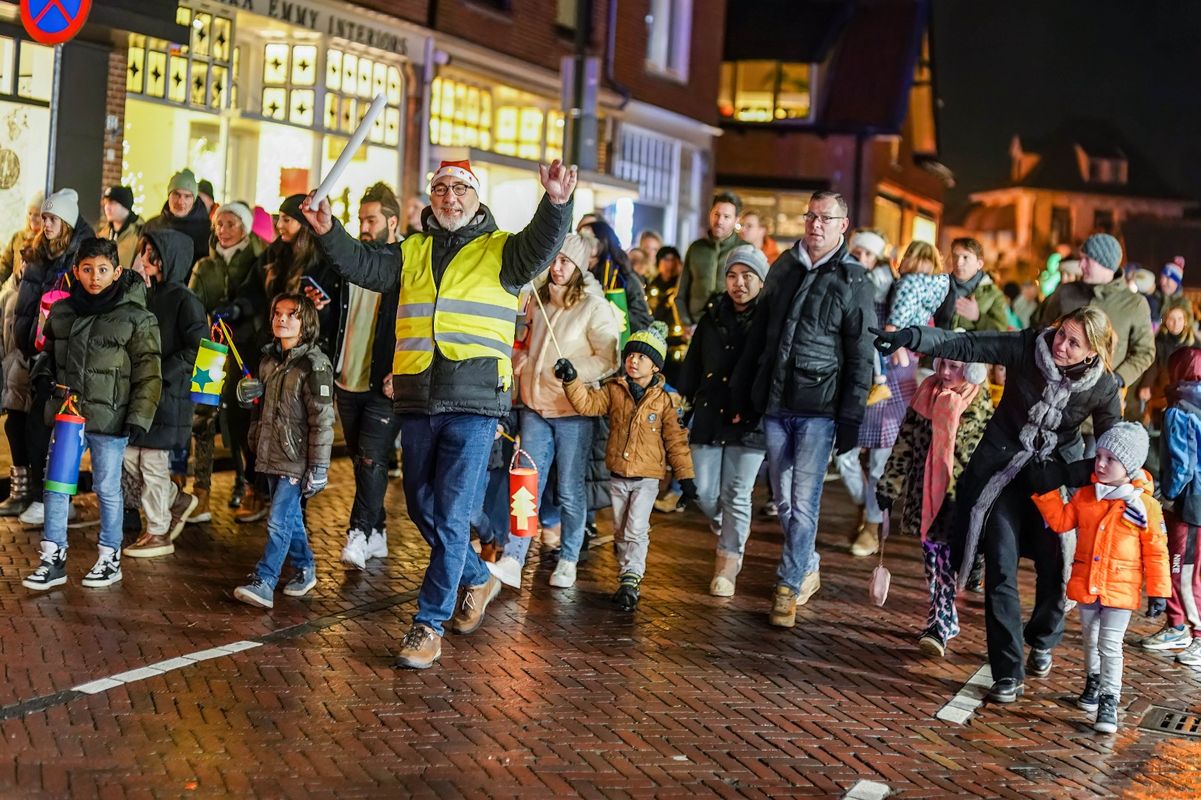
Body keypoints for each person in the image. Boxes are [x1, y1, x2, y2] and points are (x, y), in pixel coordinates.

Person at [300, 158, 575, 670]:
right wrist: (328, 231)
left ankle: (428, 624)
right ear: (431, 198)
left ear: (476, 196)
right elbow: (362, 265)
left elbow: (543, 242)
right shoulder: (412, 250)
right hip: (418, 398)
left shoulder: (503, 249)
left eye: (460, 189)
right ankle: (477, 578)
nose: (450, 197)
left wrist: (556, 203)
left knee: (449, 514)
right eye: (441, 189)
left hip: (475, 403)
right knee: (422, 507)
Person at [872, 305, 1122, 703]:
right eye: (1061, 333)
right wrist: (914, 337)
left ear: (1092, 352)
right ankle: (1008, 672)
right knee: (1000, 567)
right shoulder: (1030, 346)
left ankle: (1042, 638)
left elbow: (1113, 450)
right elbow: (971, 344)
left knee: (1055, 566)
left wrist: (1068, 474)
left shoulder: (1103, 386)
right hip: (1002, 474)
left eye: (1073, 343)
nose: (1060, 345)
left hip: (1052, 481)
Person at [730, 190, 875, 626]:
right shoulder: (784, 266)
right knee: (783, 498)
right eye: (811, 216)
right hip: (777, 400)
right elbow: (760, 335)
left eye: (825, 218)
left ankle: (788, 585)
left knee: (804, 500)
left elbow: (861, 354)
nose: (815, 224)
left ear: (842, 225)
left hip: (820, 407)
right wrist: (745, 390)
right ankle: (807, 564)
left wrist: (850, 416)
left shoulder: (855, 279)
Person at [21, 238, 161, 591]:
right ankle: (53, 557)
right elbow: (48, 355)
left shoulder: (137, 317)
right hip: (69, 413)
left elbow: (149, 371)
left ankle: (110, 557)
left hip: (111, 417)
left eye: (102, 269)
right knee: (56, 485)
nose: (94, 277)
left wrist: (139, 416)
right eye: (87, 269)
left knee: (107, 488)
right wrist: (43, 377)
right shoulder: (63, 311)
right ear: (76, 271)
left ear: (116, 271)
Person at [489, 233, 620, 590]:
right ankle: (515, 557)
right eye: (554, 260)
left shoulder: (594, 307)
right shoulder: (538, 300)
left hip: (571, 410)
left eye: (565, 262)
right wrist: (521, 357)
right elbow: (524, 341)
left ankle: (569, 557)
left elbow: (609, 357)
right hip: (534, 408)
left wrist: (575, 372)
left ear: (579, 267)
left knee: (569, 489)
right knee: (526, 484)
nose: (557, 268)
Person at [1031, 422, 1169, 733]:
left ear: (1129, 466)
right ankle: (1093, 681)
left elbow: (1157, 552)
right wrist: (1046, 491)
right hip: (1087, 583)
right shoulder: (1086, 496)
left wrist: (1158, 591)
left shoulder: (1144, 506)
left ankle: (1109, 699)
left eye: (1111, 459)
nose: (1101, 464)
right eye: (1099, 456)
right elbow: (1062, 522)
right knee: (1091, 639)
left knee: (1110, 644)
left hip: (1120, 589)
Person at [557, 322, 696, 610]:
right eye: (631, 355)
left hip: (647, 478)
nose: (633, 360)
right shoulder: (614, 390)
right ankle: (626, 576)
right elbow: (588, 405)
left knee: (636, 528)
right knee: (620, 529)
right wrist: (571, 380)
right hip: (618, 475)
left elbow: (676, 441)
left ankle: (632, 578)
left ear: (655, 366)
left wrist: (685, 477)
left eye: (642, 357)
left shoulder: (666, 400)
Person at [223, 194, 343, 523]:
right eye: (279, 218)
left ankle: (293, 505)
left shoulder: (322, 258)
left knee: (296, 423)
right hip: (270, 351)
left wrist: (321, 308)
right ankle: (259, 487)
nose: (279, 225)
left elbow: (333, 311)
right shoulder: (274, 253)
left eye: (287, 219)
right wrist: (238, 309)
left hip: (305, 355)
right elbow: (252, 291)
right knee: (258, 417)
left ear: (303, 223)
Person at [877, 357, 994, 656]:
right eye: (942, 364)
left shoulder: (981, 405)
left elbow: (989, 460)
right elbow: (904, 445)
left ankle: (939, 624)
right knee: (932, 561)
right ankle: (943, 618)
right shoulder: (924, 395)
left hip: (958, 501)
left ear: (971, 370)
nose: (944, 372)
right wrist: (889, 486)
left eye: (954, 367)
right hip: (924, 496)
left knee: (946, 563)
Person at [676, 245, 768, 596]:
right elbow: (693, 363)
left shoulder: (770, 319)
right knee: (703, 491)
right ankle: (728, 526)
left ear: (761, 281)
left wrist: (758, 405)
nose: (738, 283)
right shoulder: (712, 315)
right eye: (732, 275)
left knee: (737, 493)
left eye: (747, 276)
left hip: (749, 418)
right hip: (710, 412)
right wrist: (683, 400)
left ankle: (728, 561)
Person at [232, 293, 334, 608]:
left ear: (307, 322)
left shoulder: (314, 364)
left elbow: (323, 420)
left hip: (296, 458)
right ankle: (305, 568)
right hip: (271, 453)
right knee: (290, 517)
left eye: (292, 314)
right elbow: (260, 409)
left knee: (278, 520)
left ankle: (265, 580)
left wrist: (319, 468)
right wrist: (249, 400)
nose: (282, 319)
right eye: (278, 313)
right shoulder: (268, 361)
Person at [839, 241, 932, 558]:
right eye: (913, 261)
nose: (917, 270)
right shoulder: (870, 286)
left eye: (925, 265)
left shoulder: (916, 297)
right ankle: (865, 505)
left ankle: (871, 525)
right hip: (861, 380)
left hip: (895, 384)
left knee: (880, 462)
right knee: (844, 455)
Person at [13, 188, 96, 527]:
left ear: (67, 222)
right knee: (33, 424)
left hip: (63, 355)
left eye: (52, 219)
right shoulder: (37, 254)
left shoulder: (80, 259)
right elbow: (26, 305)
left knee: (50, 426)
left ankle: (49, 499)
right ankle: (44, 497)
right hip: (36, 352)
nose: (45, 224)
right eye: (44, 218)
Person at [122, 230, 206, 556]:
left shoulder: (185, 299)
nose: (144, 259)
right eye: (143, 252)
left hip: (169, 394)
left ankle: (158, 531)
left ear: (169, 260)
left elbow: (198, 347)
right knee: (129, 456)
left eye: (151, 254)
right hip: (144, 392)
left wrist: (161, 372)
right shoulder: (146, 294)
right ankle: (174, 499)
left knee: (153, 461)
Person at [336, 183, 403, 569]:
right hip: (347, 377)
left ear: (392, 222)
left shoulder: (406, 262)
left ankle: (358, 534)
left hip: (385, 381)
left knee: (371, 459)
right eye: (361, 219)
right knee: (360, 459)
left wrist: (402, 368)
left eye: (371, 220)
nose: (363, 227)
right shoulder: (355, 260)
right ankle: (377, 533)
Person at [188, 201, 266, 517]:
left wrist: (239, 316)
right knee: (203, 417)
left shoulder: (258, 261)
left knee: (240, 417)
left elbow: (261, 302)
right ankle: (201, 492)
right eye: (219, 224)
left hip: (244, 350)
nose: (223, 230)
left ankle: (246, 482)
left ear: (245, 228)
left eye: (231, 224)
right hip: (211, 349)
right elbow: (193, 306)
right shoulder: (205, 265)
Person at [1142, 346, 1201, 667]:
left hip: (1188, 504)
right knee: (1188, 570)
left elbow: (1182, 465)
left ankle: (1192, 633)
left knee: (1182, 571)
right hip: (1195, 503)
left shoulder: (1179, 409)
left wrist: (1168, 494)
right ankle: (1177, 625)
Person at [1039, 233, 1154, 394]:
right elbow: (1043, 330)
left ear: (1105, 264)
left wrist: (1118, 378)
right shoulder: (1065, 292)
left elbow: (1145, 351)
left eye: (1087, 260)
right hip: (1053, 391)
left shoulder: (1134, 304)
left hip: (1100, 400)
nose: (1081, 265)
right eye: (1081, 259)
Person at [0, 193, 43, 517]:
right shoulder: (10, 290)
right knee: (14, 426)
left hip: (30, 365)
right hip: (12, 366)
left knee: (28, 429)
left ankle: (32, 491)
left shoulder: (37, 290)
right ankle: (20, 490)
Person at [677, 192, 743, 326]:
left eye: (726, 217)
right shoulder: (696, 248)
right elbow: (681, 292)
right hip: (696, 325)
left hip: (731, 326)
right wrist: (685, 323)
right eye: (716, 214)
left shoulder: (744, 250)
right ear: (710, 214)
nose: (719, 221)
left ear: (736, 220)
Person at [581, 219, 652, 332]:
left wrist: (611, 310)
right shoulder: (577, 271)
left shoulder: (623, 277)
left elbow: (643, 322)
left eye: (587, 239)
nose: (580, 244)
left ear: (602, 242)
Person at [1137, 297, 1195, 426]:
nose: (1176, 323)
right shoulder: (1159, 341)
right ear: (1165, 321)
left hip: (1188, 391)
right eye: (1171, 319)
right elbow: (1153, 365)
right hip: (1163, 389)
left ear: (1185, 321)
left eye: (1179, 319)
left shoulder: (1193, 343)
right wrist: (1146, 385)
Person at [934, 238, 1009, 332]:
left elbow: (1001, 332)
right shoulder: (941, 285)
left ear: (979, 264)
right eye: (955, 256)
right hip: (939, 340)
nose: (958, 262)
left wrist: (978, 317)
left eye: (965, 257)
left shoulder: (993, 294)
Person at [142, 169, 212, 268]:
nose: (180, 202)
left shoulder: (206, 231)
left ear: (194, 199)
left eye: (187, 196)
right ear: (169, 195)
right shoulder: (152, 226)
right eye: (176, 194)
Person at [96, 185, 144, 270]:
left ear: (125, 206)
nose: (107, 207)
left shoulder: (140, 234)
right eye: (105, 203)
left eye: (112, 203)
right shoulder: (102, 233)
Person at [0, 191, 42, 284]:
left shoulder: (47, 242)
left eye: (36, 215)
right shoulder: (18, 237)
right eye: (30, 213)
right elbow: (5, 264)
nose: (32, 218)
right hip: (15, 289)